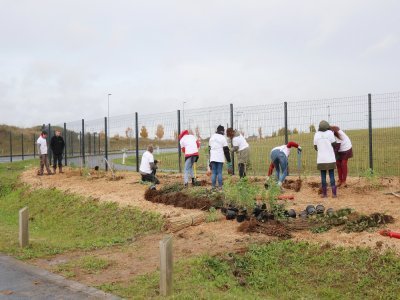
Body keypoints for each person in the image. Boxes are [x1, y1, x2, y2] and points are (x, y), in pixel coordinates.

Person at [314, 120, 337, 198]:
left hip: (321, 159)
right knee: (332, 175)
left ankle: (324, 194)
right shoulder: (330, 133)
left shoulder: (316, 134)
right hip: (330, 158)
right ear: (327, 127)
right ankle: (334, 194)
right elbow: (334, 144)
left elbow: (315, 147)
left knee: (323, 176)